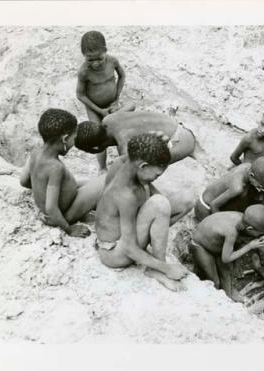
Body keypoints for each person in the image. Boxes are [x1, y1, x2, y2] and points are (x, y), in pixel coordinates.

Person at [94, 133, 188, 292]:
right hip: (114, 254)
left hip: (116, 239)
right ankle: (157, 270)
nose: (156, 178)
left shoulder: (123, 163)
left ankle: (156, 262)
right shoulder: (126, 195)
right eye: (156, 174)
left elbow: (142, 145)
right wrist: (167, 268)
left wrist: (159, 143)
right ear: (143, 166)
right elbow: (129, 248)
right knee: (160, 204)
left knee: (186, 199)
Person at [19, 108, 105, 238]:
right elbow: (51, 207)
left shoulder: (35, 153)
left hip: (62, 204)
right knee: (105, 180)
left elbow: (23, 181)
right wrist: (69, 229)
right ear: (65, 139)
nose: (74, 142)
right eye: (73, 138)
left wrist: (40, 187)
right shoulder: (55, 168)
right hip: (65, 214)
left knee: (90, 182)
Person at [190, 205, 264, 301]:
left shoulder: (243, 219)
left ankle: (229, 293)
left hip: (217, 245)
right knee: (215, 282)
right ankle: (217, 300)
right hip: (201, 247)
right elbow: (225, 259)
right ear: (250, 229)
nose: (260, 237)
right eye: (260, 235)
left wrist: (263, 249)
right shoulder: (231, 232)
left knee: (227, 271)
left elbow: (251, 236)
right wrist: (250, 246)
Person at [74, 107, 198, 169]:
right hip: (175, 123)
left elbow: (134, 174)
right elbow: (131, 106)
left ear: (96, 148)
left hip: (181, 140)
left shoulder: (124, 143)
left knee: (144, 169)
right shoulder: (108, 119)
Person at [76, 30, 126, 172]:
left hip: (112, 105)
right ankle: (102, 168)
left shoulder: (113, 61)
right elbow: (80, 95)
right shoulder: (84, 72)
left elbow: (122, 76)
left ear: (105, 51)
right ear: (84, 56)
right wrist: (99, 111)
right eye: (90, 59)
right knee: (97, 136)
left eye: (99, 58)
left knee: (118, 132)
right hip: (94, 108)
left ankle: (124, 163)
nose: (96, 63)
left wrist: (116, 100)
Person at [194, 157, 264, 221]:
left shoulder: (247, 166)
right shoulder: (237, 188)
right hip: (205, 209)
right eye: (260, 186)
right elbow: (214, 205)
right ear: (251, 176)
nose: (260, 189)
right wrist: (223, 224)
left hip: (210, 197)